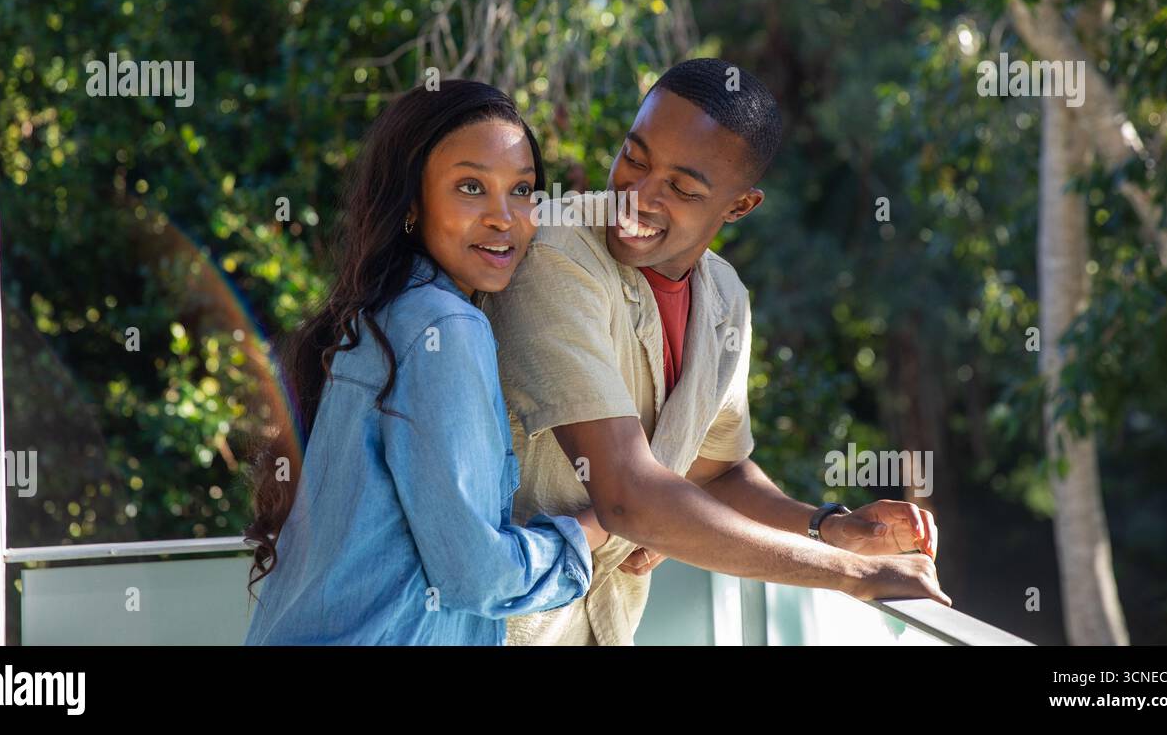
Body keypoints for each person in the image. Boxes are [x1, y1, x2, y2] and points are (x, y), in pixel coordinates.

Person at [479, 57, 950, 646]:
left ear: (738, 206)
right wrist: (856, 575)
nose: (638, 196)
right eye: (635, 157)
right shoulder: (554, 254)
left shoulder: (725, 299)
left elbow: (715, 470)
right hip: (493, 629)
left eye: (680, 187)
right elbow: (628, 496)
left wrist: (831, 528)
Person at [244, 79, 606, 645]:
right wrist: (597, 527)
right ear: (412, 201)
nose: (503, 218)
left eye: (522, 190)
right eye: (470, 187)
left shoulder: (381, 316)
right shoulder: (444, 326)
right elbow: (476, 575)